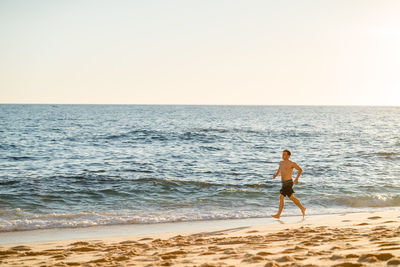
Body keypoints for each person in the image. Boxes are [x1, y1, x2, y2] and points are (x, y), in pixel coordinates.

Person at [271, 149, 306, 219]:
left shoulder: (292, 163)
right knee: (291, 197)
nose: (283, 156)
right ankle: (302, 208)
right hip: (283, 183)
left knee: (281, 197)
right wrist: (275, 175)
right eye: (282, 154)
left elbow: (300, 169)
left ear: (289, 156)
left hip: (289, 183)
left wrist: (296, 179)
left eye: (285, 154)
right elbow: (279, 171)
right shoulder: (281, 163)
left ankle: (278, 215)